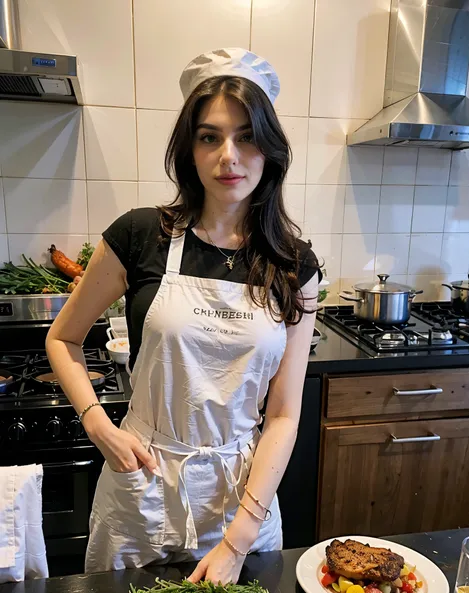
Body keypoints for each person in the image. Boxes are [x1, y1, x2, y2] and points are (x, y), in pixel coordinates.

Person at [46, 47, 321, 584]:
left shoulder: (294, 264)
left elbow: (284, 413)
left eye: (246, 136)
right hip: (141, 485)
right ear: (188, 150)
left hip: (245, 498)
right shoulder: (139, 235)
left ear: (270, 148)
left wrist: (240, 537)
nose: (229, 156)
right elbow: (63, 338)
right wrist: (98, 424)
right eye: (209, 136)